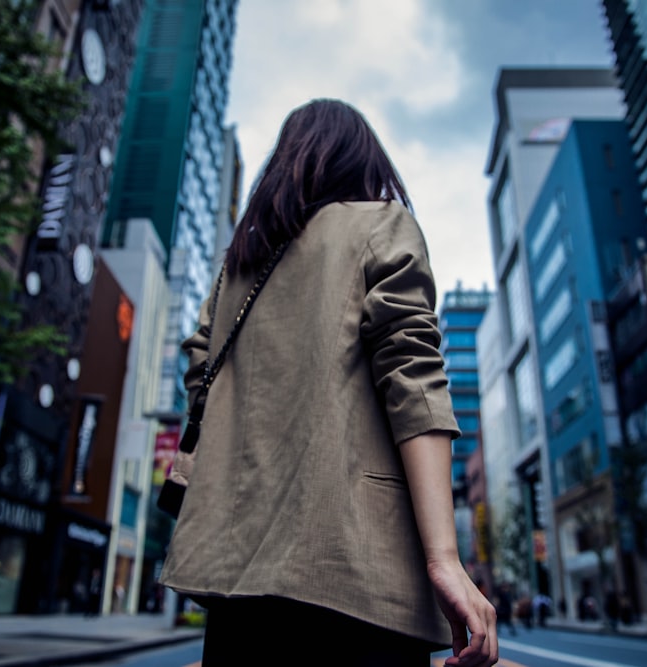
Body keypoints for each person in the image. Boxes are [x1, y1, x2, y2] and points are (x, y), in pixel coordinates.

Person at [158, 98, 498, 667]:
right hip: (352, 571)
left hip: (236, 579)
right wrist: (444, 558)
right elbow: (413, 379)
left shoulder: (238, 267)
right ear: (363, 160)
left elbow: (202, 378)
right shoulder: (381, 224)